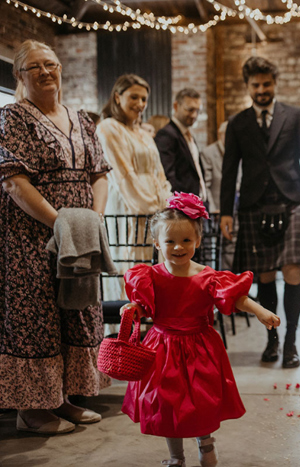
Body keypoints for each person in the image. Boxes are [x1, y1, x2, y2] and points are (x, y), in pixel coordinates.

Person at [120, 192, 280, 467]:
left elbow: (236, 298)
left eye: (186, 240)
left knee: (199, 401)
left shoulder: (207, 277)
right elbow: (146, 307)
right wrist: (133, 308)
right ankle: (176, 457)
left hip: (199, 348)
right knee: (167, 404)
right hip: (162, 348)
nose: (178, 247)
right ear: (157, 242)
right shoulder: (150, 276)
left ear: (197, 240)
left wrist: (259, 310)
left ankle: (205, 441)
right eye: (170, 241)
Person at [0, 40, 111, 434]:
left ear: (61, 68)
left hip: (78, 235)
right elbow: (14, 182)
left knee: (75, 311)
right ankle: (31, 409)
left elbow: (99, 173)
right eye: (34, 67)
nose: (45, 72)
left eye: (51, 64)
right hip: (31, 235)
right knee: (37, 315)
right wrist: (59, 223)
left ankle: (61, 398)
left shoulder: (82, 119)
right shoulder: (12, 117)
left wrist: (91, 223)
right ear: (19, 75)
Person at [220, 56, 300, 368]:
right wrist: (227, 211)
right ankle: (272, 340)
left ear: (274, 83)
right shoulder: (237, 123)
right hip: (253, 204)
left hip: (291, 201)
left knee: (291, 271)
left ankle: (291, 342)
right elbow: (229, 170)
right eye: (256, 85)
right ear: (247, 87)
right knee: (264, 274)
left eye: (266, 84)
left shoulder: (294, 115)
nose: (262, 89)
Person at [96, 74, 171, 300]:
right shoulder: (108, 128)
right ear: (118, 97)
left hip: (153, 215)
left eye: (144, 99)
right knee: (127, 276)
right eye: (134, 97)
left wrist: (167, 203)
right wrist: (154, 205)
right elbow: (123, 176)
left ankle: (147, 334)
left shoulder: (144, 134)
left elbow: (160, 173)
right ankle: (124, 333)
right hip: (127, 212)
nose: (140, 105)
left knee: (150, 279)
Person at [155, 89, 207, 200]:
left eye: (198, 110)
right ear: (176, 106)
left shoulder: (188, 134)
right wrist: (183, 203)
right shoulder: (166, 134)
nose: (194, 115)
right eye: (190, 109)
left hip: (197, 202)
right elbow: (168, 176)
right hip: (183, 205)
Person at [200, 121, 227, 214]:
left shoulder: (236, 152)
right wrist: (212, 208)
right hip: (216, 208)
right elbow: (205, 185)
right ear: (220, 135)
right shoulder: (208, 153)